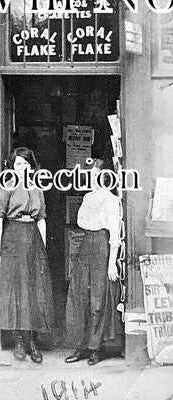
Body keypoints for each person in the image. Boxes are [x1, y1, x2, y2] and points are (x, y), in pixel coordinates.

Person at [0, 147, 55, 363]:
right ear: (12, 166)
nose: (21, 168)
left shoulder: (38, 188)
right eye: (18, 164)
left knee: (35, 291)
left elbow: (42, 219)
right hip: (13, 238)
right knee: (17, 291)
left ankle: (33, 343)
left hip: (34, 241)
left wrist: (43, 248)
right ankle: (19, 342)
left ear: (31, 165)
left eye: (25, 163)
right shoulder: (8, 186)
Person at [65, 157, 123, 366]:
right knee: (78, 295)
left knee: (97, 301)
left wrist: (111, 263)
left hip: (101, 245)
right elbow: (81, 222)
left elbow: (114, 233)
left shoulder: (110, 199)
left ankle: (94, 349)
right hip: (86, 244)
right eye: (89, 175)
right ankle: (79, 347)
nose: (93, 179)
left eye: (97, 175)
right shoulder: (88, 197)